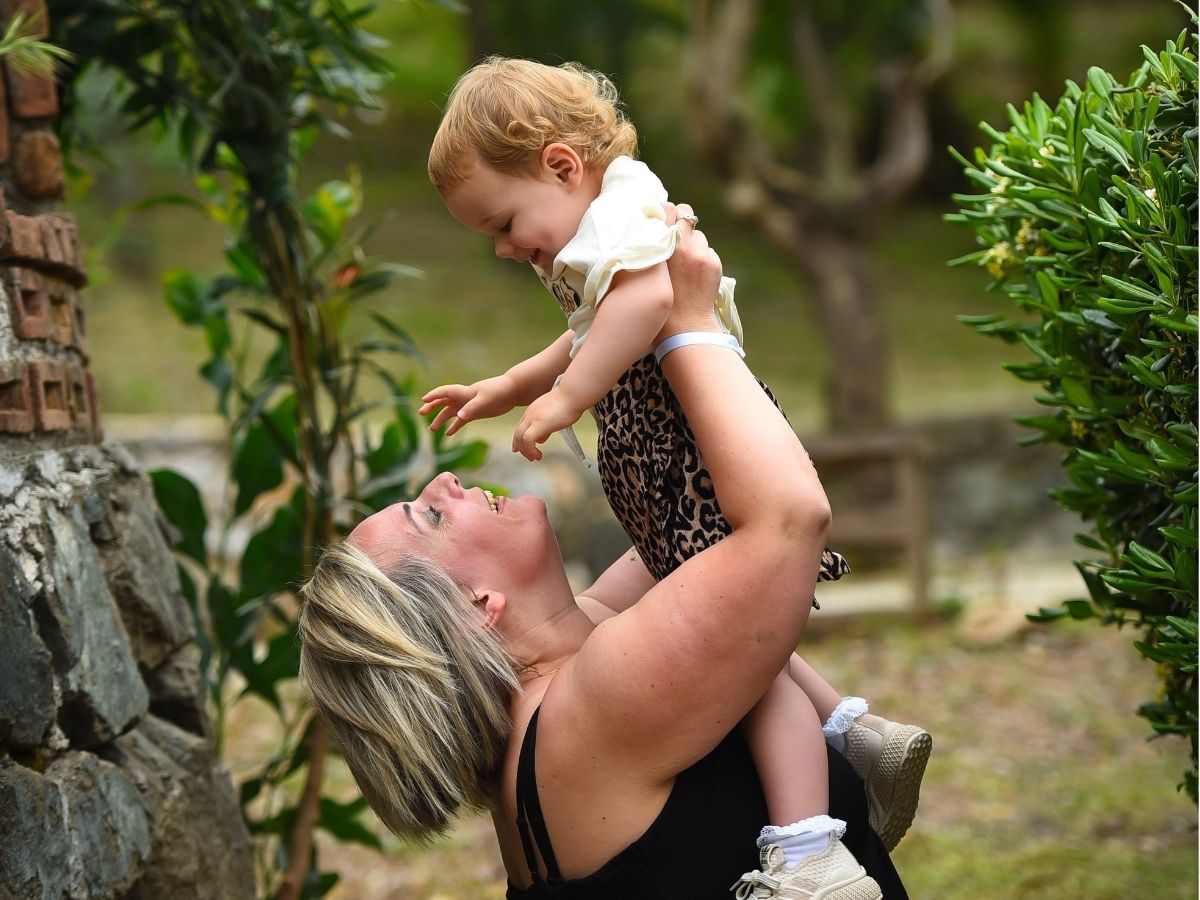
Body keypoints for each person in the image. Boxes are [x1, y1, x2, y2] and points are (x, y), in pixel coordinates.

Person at [299, 214, 908, 898]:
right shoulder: (597, 703)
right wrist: (688, 320)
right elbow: (787, 521)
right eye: (431, 515)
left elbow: (688, 539)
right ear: (476, 609)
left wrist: (628, 315)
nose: (443, 482)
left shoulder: (551, 702)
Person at [417, 56, 930, 856]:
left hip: (689, 456)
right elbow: (595, 325)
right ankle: (857, 733)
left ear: (561, 165)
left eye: (504, 224)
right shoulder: (593, 230)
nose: (504, 250)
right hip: (669, 461)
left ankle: (809, 849)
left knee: (747, 667)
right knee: (739, 633)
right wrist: (515, 384)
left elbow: (652, 302)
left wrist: (567, 399)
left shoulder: (622, 212)